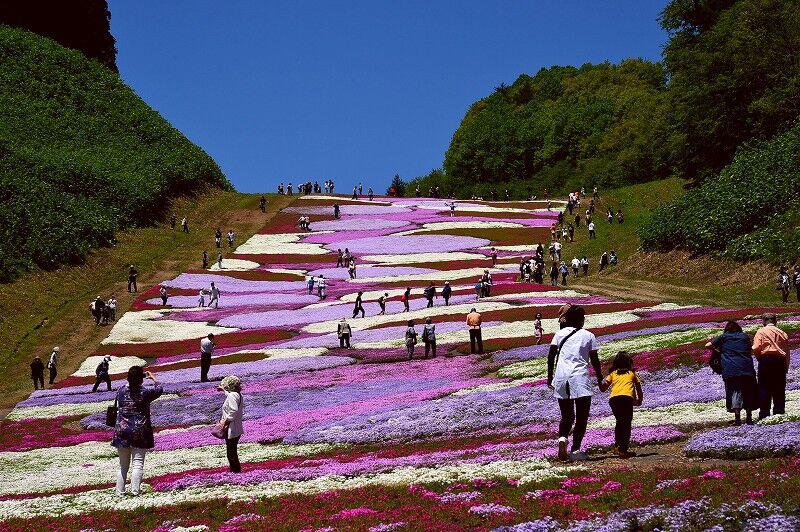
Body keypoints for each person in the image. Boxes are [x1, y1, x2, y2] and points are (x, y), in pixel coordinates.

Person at [547, 305, 603, 461]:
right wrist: (599, 378)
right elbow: (595, 360)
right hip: (580, 379)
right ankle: (576, 449)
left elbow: (551, 356)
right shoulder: (589, 336)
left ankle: (563, 438)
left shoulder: (559, 334)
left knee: (566, 416)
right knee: (582, 417)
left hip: (561, 378)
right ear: (580, 320)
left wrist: (549, 377)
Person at [112, 366, 162, 496]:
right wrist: (154, 378)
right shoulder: (144, 392)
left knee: (123, 466)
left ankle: (119, 492)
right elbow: (159, 389)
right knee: (137, 464)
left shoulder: (121, 391)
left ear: (128, 377)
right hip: (139, 431)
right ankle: (135, 492)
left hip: (122, 431)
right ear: (141, 379)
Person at [706, 320, 757, 425]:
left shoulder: (723, 337)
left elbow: (708, 345)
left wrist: (717, 347)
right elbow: (750, 348)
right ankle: (749, 418)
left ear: (727, 329)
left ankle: (737, 419)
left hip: (731, 369)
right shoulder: (745, 336)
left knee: (735, 392)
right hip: (746, 368)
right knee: (748, 392)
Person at [599, 352, 643, 458]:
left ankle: (617, 446)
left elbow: (603, 388)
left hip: (614, 400)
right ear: (629, 362)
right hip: (626, 399)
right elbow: (638, 388)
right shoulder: (632, 373)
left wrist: (599, 380)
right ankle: (623, 449)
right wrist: (639, 400)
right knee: (626, 424)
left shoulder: (613, 373)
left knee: (619, 422)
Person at [752, 313, 790, 419]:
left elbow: (755, 347)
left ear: (764, 321)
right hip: (779, 361)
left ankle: (764, 412)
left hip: (766, 360)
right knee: (779, 387)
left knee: (764, 387)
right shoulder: (782, 332)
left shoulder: (761, 331)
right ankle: (779, 411)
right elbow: (787, 351)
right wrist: (786, 366)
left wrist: (759, 358)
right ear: (775, 321)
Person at [217, 375, 244, 473]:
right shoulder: (237, 394)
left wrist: (226, 420)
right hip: (236, 428)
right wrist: (223, 390)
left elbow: (233, 410)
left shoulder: (232, 395)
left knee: (231, 453)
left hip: (232, 428)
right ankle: (236, 471)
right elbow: (229, 396)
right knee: (232, 452)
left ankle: (235, 472)